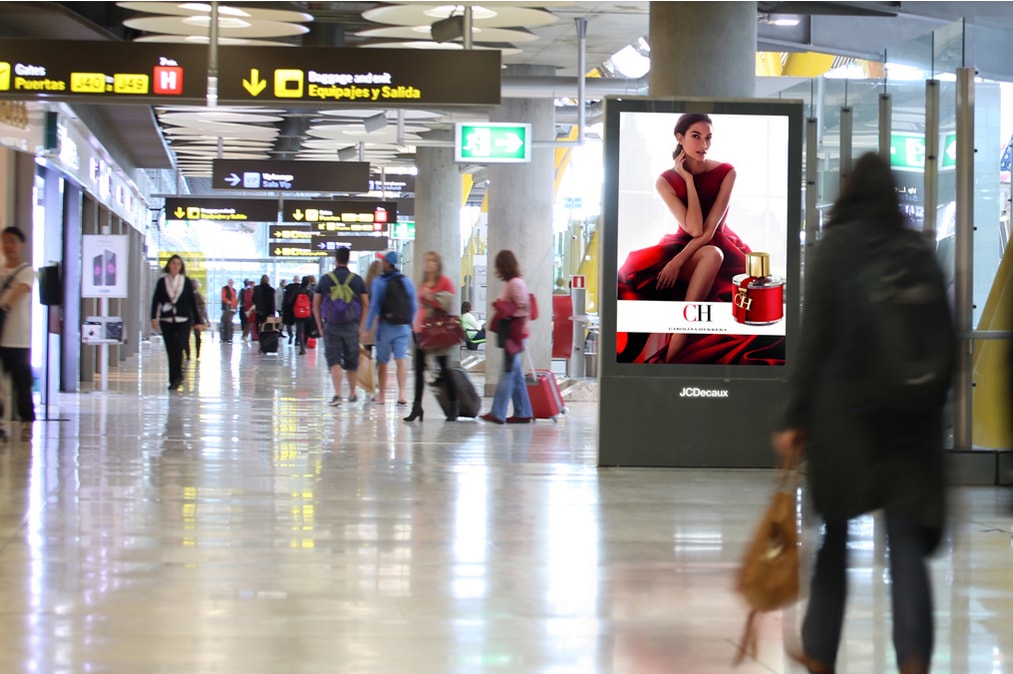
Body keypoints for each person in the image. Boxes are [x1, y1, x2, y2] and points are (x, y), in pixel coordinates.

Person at [772, 153, 953, 674]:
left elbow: (814, 343)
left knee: (835, 539)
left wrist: (793, 417)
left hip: (845, 420)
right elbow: (943, 337)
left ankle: (821, 654)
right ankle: (914, 659)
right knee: (905, 543)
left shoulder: (835, 248)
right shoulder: (916, 250)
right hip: (911, 424)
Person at [617, 113, 752, 363]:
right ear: (680, 138)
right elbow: (692, 228)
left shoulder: (726, 172)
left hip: (715, 246)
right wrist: (688, 180)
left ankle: (674, 352)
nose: (704, 145)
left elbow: (708, 232)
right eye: (696, 137)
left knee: (714, 253)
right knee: (631, 278)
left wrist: (678, 262)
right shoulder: (665, 181)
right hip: (683, 246)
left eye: (708, 138)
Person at [481, 250, 534, 424]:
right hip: (518, 334)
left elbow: (522, 306)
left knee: (507, 373)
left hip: (514, 334)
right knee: (516, 375)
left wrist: (503, 306)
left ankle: (498, 412)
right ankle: (523, 412)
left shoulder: (514, 283)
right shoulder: (516, 282)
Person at [404, 251, 458, 422]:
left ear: (438, 264)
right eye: (427, 261)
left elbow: (448, 305)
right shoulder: (423, 282)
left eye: (432, 261)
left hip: (437, 330)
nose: (429, 264)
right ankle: (417, 407)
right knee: (419, 370)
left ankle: (454, 405)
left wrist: (432, 298)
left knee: (444, 368)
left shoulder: (444, 282)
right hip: (420, 329)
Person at [314, 249, 368, 406]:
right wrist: (361, 326)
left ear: (335, 260)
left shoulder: (325, 280)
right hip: (352, 326)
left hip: (331, 326)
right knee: (352, 360)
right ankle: (352, 393)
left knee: (334, 360)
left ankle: (337, 395)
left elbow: (315, 305)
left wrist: (320, 326)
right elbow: (366, 304)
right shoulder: (357, 280)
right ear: (348, 259)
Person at [363, 251, 416, 408]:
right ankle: (402, 395)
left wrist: (366, 328)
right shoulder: (406, 282)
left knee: (383, 361)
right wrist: (411, 325)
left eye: (383, 261)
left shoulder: (379, 282)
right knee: (401, 359)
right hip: (403, 328)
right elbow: (413, 305)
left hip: (385, 327)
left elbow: (374, 307)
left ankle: (382, 396)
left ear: (387, 263)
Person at [0, 226, 35, 440]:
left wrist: (5, 309)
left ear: (21, 245)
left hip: (18, 338)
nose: (8, 245)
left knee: (22, 383)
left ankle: (26, 423)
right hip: (0, 337)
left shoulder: (27, 271)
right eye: (5, 241)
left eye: (13, 241)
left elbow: (21, 290)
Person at [150, 254, 201, 391]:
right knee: (171, 350)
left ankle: (178, 375)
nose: (175, 266)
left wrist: (198, 321)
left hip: (183, 319)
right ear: (169, 265)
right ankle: (174, 379)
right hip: (167, 320)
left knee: (179, 347)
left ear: (181, 266)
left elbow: (192, 302)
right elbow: (156, 300)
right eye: (173, 263)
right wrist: (153, 317)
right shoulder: (162, 282)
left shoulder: (186, 281)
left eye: (178, 264)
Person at [184, 279, 208, 360]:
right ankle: (195, 353)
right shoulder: (198, 295)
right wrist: (206, 319)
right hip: (196, 318)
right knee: (196, 337)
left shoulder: (187, 295)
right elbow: (203, 309)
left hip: (190, 318)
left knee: (187, 337)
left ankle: (189, 354)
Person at [294, 275, 316, 355]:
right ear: (308, 283)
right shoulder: (310, 292)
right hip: (308, 314)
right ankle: (305, 345)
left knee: (299, 330)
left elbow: (291, 301)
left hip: (298, 313)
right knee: (307, 330)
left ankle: (302, 347)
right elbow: (314, 304)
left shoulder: (297, 291)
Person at [281, 277, 301, 346]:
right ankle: (297, 339)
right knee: (298, 324)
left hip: (289, 308)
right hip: (298, 308)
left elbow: (285, 299)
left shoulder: (288, 288)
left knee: (289, 323)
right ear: (299, 280)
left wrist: (283, 308)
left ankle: (290, 335)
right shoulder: (301, 288)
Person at [220, 278, 237, 343]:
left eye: (232, 282)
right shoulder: (224, 289)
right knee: (225, 322)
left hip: (232, 309)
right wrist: (228, 301)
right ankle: (224, 337)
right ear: (228, 282)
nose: (231, 283)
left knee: (229, 323)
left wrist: (235, 307)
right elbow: (223, 297)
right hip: (226, 308)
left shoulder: (234, 290)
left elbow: (234, 299)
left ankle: (229, 337)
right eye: (230, 282)